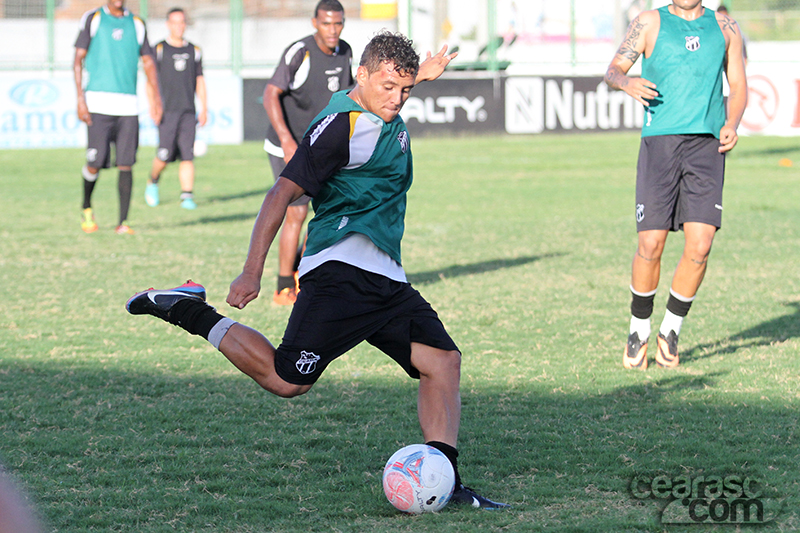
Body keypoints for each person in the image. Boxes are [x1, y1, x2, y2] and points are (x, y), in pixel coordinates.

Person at [127, 30, 508, 509]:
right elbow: (281, 194)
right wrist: (252, 271)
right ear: (361, 76)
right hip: (342, 269)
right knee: (288, 380)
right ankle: (186, 310)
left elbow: (391, 90)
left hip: (385, 275)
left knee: (442, 362)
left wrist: (420, 76)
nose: (397, 99)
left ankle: (445, 481)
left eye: (406, 89)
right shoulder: (337, 128)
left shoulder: (380, 102)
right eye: (389, 87)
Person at [604, 0, 747, 369]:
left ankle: (671, 330)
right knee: (650, 243)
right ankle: (638, 330)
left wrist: (732, 121)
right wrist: (626, 82)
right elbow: (613, 70)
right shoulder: (649, 22)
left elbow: (739, 85)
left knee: (701, 244)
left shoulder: (726, 27)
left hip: (706, 146)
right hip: (660, 144)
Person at [263, 0, 355, 305]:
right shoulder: (299, 52)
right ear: (314, 22)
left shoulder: (346, 52)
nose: (333, 30)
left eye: (338, 23)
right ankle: (282, 286)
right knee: (297, 211)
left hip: (320, 148)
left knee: (329, 211)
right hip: (286, 146)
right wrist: (287, 140)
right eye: (327, 23)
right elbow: (270, 94)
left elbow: (349, 96)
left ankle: (303, 271)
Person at [74, 0, 162, 234]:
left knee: (126, 164)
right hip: (97, 104)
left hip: (128, 107)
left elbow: (149, 62)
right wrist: (80, 99)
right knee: (95, 162)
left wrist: (156, 99)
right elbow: (77, 60)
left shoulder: (137, 24)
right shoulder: (93, 19)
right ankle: (86, 207)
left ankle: (123, 223)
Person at [145, 7, 208, 211]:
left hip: (188, 113)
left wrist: (204, 108)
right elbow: (150, 82)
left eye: (182, 22)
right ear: (168, 24)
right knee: (164, 156)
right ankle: (152, 181)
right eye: (175, 22)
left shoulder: (194, 51)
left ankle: (187, 196)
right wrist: (154, 106)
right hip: (167, 112)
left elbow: (200, 80)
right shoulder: (159, 50)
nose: (179, 26)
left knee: (188, 156)